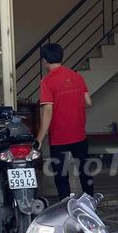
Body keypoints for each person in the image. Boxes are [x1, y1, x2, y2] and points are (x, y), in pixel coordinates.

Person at [36, 43, 94, 200]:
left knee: (61, 174)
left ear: (44, 60)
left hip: (59, 136)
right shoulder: (77, 76)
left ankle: (66, 204)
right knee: (84, 170)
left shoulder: (47, 81)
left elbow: (48, 111)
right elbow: (88, 102)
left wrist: (39, 139)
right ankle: (90, 202)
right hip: (79, 134)